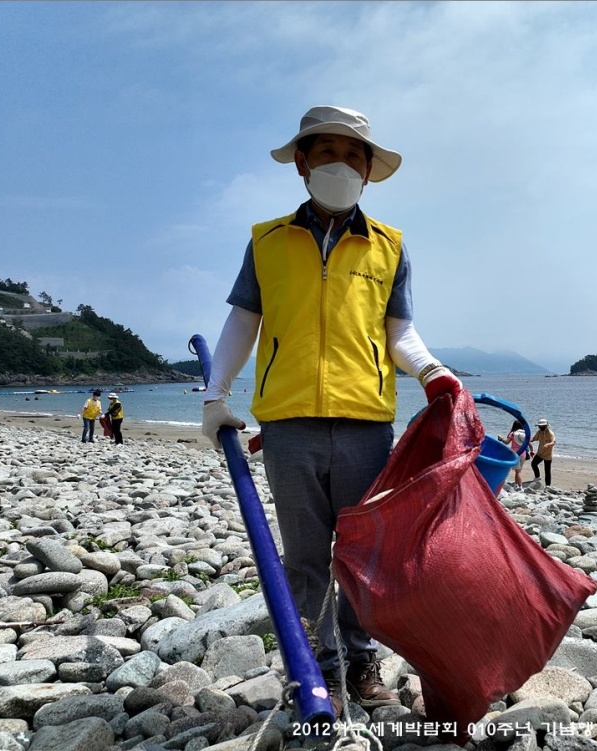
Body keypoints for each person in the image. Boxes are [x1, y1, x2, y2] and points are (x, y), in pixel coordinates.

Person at [200, 105, 462, 713]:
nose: (339, 165)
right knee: (306, 554)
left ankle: (361, 657)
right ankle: (319, 669)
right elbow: (243, 322)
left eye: (352, 156)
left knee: (363, 554)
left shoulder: (390, 246)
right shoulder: (265, 241)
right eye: (326, 154)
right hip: (287, 425)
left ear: (369, 170)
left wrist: (432, 371)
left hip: (367, 424)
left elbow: (399, 332)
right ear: (301, 163)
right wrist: (216, 397)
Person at [500, 420, 529, 489]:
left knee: (517, 471)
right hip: (523, 454)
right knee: (518, 471)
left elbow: (506, 442)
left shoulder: (513, 433)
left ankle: (520, 486)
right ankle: (516, 485)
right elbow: (529, 443)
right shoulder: (526, 434)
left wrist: (501, 439)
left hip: (515, 454)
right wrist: (532, 451)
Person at [530, 418, 556, 487]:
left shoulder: (550, 433)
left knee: (547, 471)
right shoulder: (539, 432)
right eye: (539, 426)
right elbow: (534, 438)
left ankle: (548, 486)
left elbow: (553, 442)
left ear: (546, 426)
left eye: (542, 427)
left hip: (548, 455)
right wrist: (529, 440)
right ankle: (537, 477)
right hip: (540, 453)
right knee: (533, 464)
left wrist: (547, 444)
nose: (540, 428)